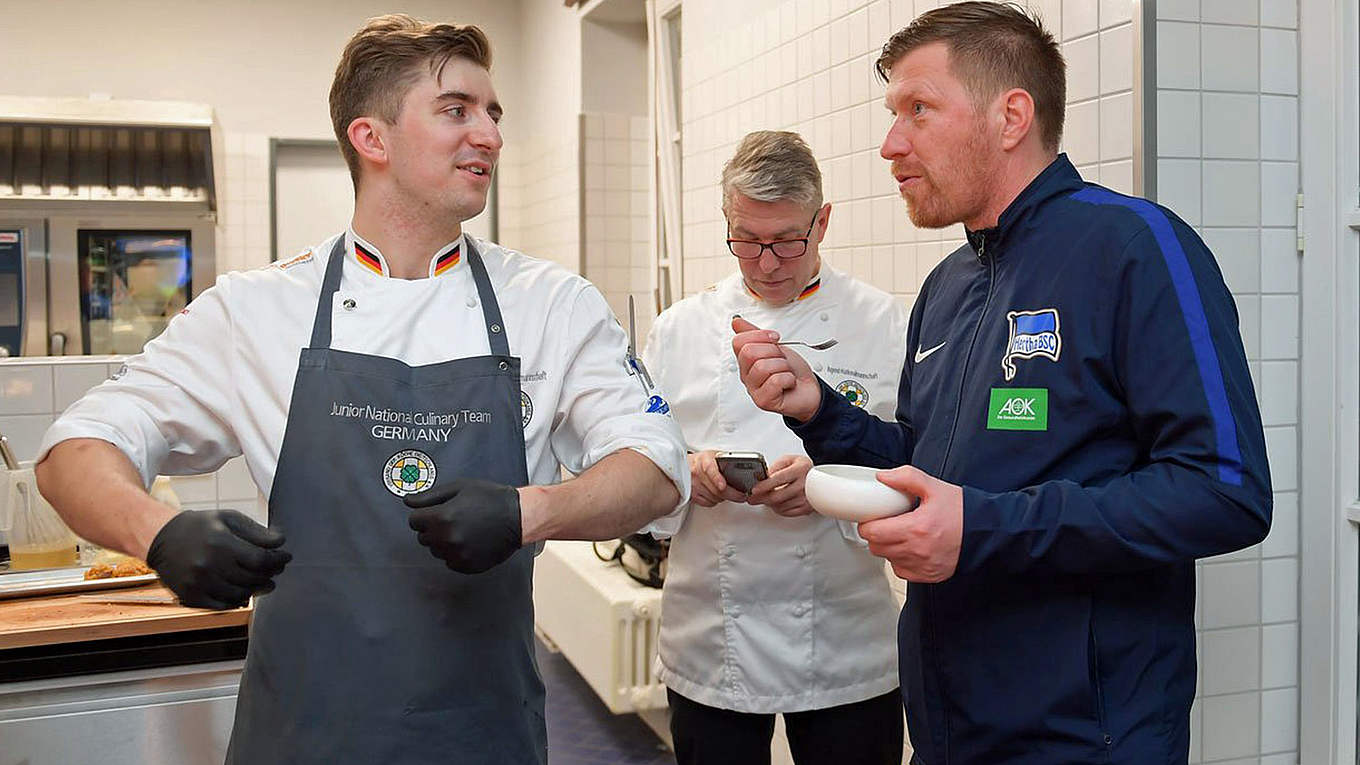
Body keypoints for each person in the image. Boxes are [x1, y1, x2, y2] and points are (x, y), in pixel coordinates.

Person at [35, 15, 688, 765]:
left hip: (481, 734)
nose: (490, 136)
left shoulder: (552, 305)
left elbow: (658, 465)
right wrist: (156, 532)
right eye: (457, 110)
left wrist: (527, 511)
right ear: (371, 138)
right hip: (301, 737)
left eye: (493, 113)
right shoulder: (256, 310)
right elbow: (72, 448)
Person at [730, 3, 1271, 764]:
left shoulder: (1136, 248)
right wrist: (819, 411)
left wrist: (984, 529)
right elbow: (928, 465)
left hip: (1084, 740)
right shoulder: (947, 286)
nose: (890, 144)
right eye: (892, 115)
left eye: (918, 110)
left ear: (1011, 116)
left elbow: (1224, 489)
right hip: (950, 729)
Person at [642, 130, 908, 765]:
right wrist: (690, 471)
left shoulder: (883, 323)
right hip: (713, 634)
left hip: (845, 637)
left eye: (788, 240)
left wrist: (828, 487)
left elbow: (916, 470)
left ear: (823, 222)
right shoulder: (679, 330)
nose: (765, 263)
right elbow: (641, 467)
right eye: (746, 240)